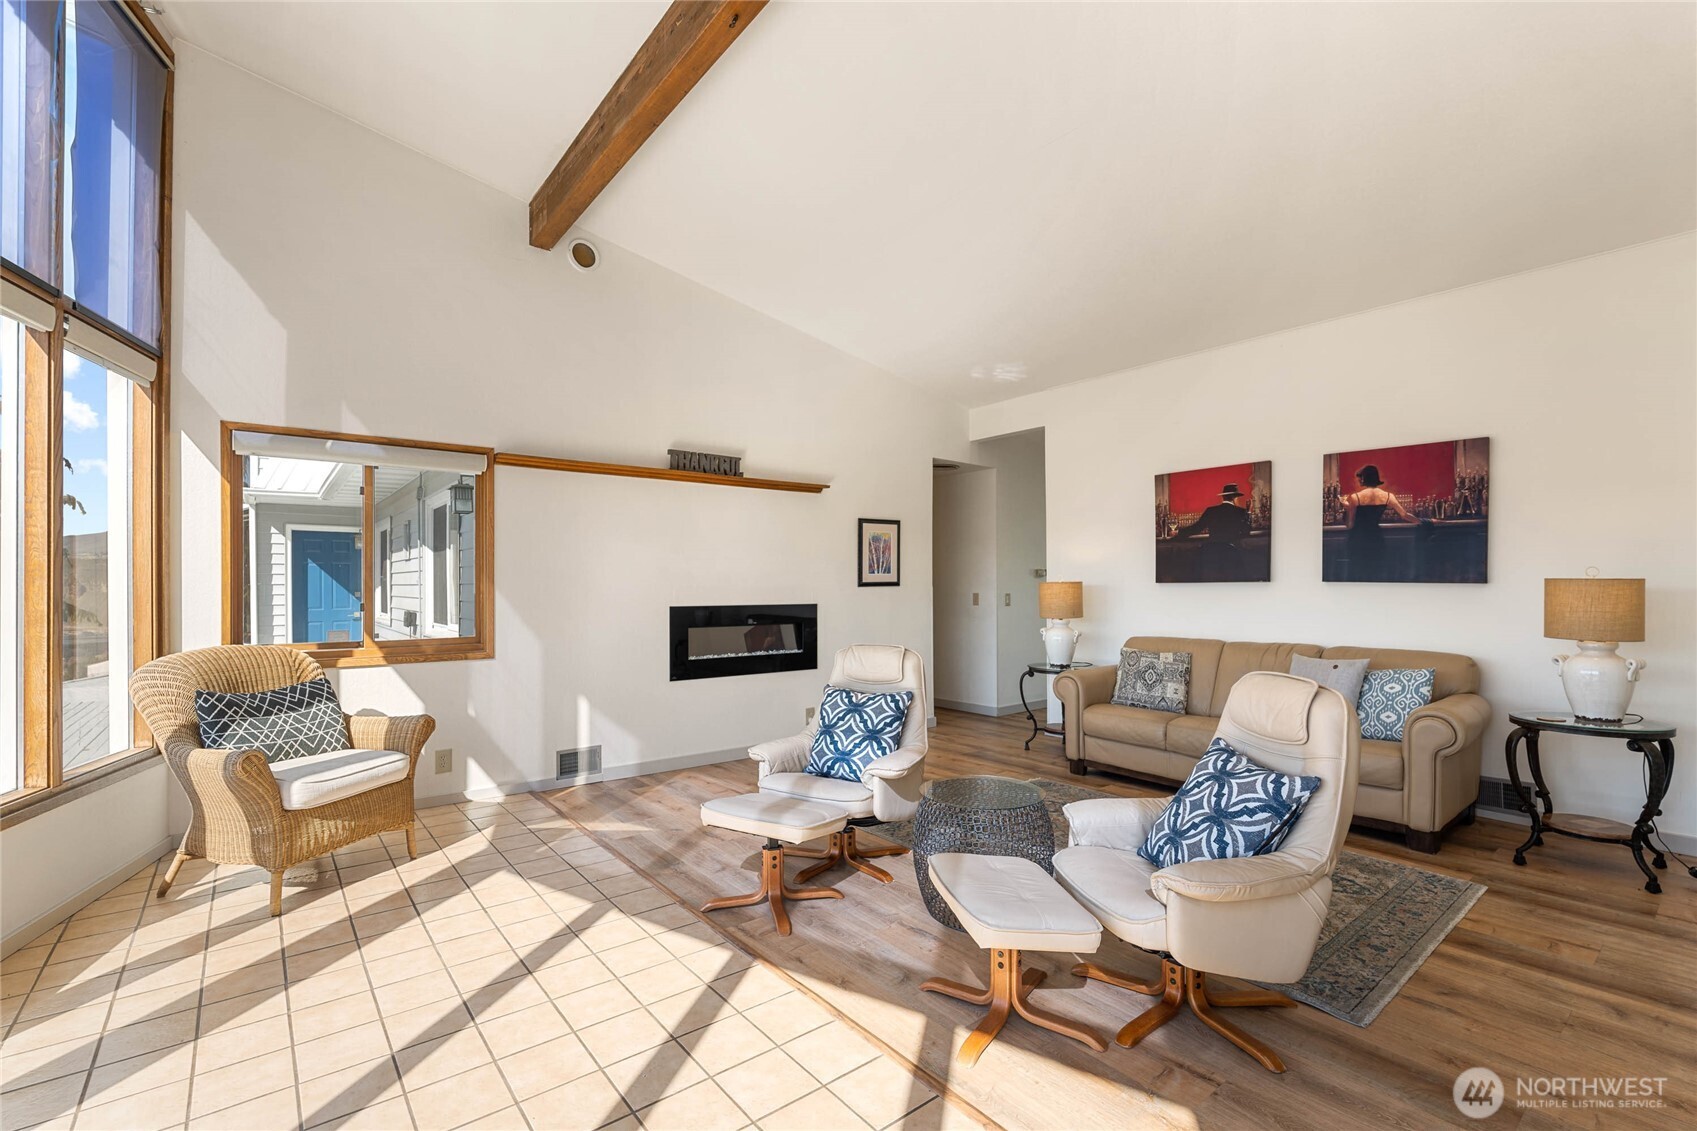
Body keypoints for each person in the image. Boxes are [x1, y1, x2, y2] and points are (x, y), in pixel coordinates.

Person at [1342, 464, 1422, 581]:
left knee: (1359, 575)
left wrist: (1347, 508)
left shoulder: (1355, 497)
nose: (1359, 480)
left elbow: (1350, 525)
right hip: (1376, 538)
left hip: (1358, 540)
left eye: (1361, 478)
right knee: (1376, 573)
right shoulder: (1388, 496)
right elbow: (1405, 515)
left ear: (1364, 478)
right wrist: (1423, 521)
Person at [1173, 483, 1254, 581]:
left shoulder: (1211, 511)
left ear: (1223, 497)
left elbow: (1196, 528)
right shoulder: (1241, 512)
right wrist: (1248, 512)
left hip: (1211, 554)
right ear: (1235, 498)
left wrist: (1178, 532)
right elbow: (1246, 531)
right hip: (1230, 554)